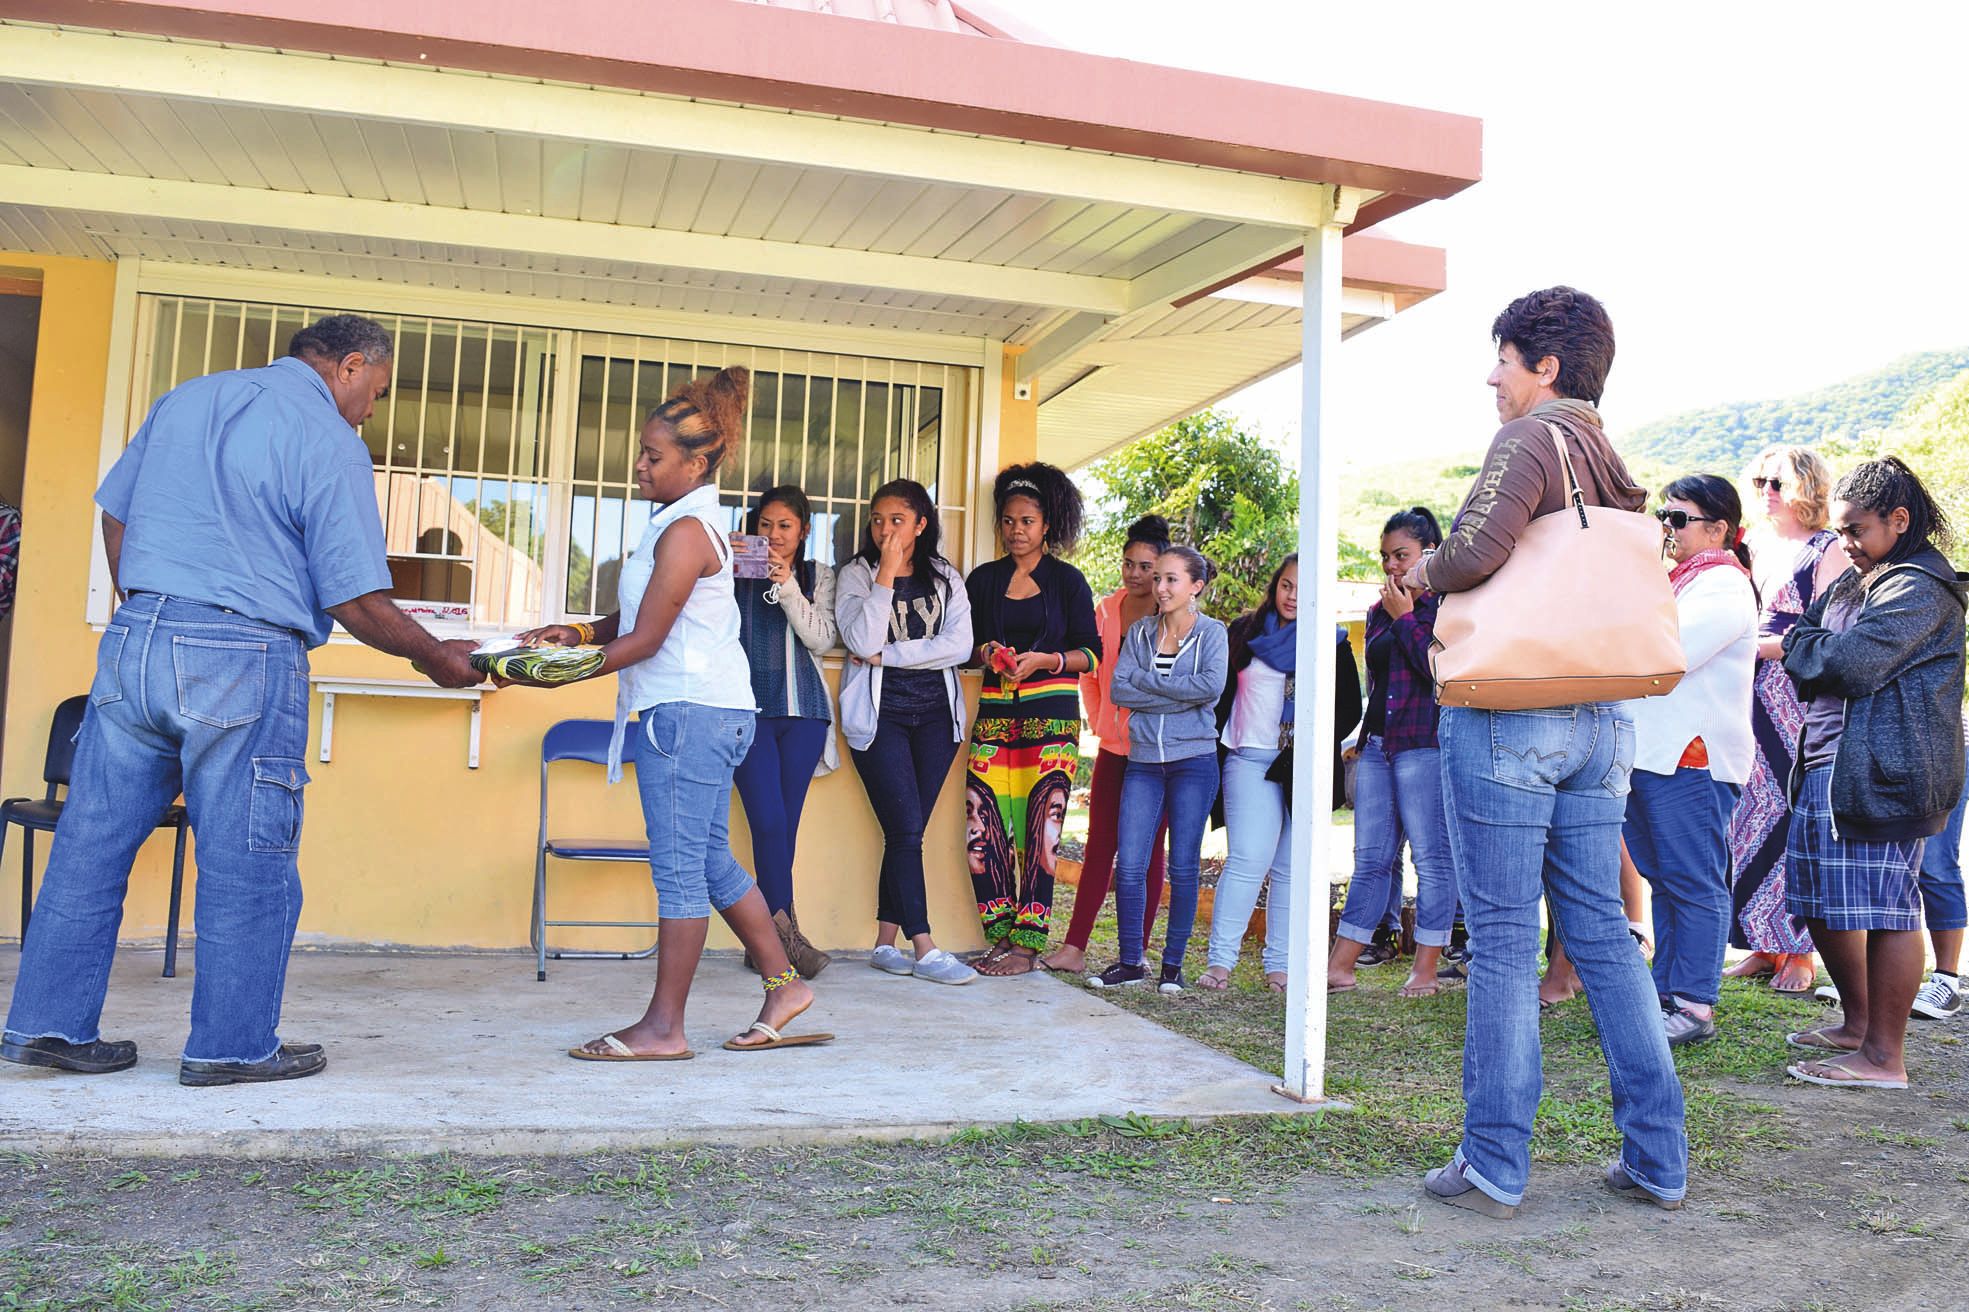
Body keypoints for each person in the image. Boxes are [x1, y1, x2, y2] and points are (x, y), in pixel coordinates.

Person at [0, 315, 483, 1086]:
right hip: (243, 652)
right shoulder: (326, 439)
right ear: (351, 366)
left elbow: (116, 512)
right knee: (247, 860)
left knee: (91, 843)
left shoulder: (187, 399)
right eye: (377, 393)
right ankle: (230, 1046)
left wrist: (149, 603)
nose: (370, 410)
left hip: (136, 638)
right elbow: (355, 596)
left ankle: (46, 1027)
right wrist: (435, 657)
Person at [1407, 287, 1686, 1217]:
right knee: (1601, 933)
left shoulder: (1530, 439)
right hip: (1602, 716)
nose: (1493, 375)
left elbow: (1477, 549)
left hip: (1511, 715)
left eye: (1505, 358)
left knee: (1496, 939)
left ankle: (1492, 1164)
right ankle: (1656, 1158)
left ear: (1547, 367)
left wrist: (1423, 571)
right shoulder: (1607, 457)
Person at [515, 366, 829, 1061]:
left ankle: (664, 1028)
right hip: (700, 712)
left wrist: (548, 673)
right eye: (642, 451)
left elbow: (649, 639)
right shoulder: (678, 526)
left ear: (695, 463)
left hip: (688, 715)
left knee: (681, 869)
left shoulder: (687, 531)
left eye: (653, 456)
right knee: (709, 858)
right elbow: (639, 616)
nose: (639, 464)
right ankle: (784, 987)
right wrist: (582, 633)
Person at [1780, 457, 1966, 1091]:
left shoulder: (1916, 587)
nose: (1845, 545)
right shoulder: (1861, 580)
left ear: (1899, 520)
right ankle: (1856, 1026)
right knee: (1823, 902)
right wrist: (1811, 652)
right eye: (1838, 532)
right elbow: (1803, 639)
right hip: (1828, 766)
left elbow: (1848, 665)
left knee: (1887, 908)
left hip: (1883, 771)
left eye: (1856, 530)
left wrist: (1810, 653)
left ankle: (1885, 1058)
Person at [1623, 476, 1759, 1046]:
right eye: (1666, 517)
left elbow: (1667, 653)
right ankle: (1667, 993)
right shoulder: (1683, 581)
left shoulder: (1725, 585)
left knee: (1694, 881)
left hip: (1691, 758)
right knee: (1666, 880)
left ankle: (1695, 1004)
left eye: (1679, 520)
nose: (1668, 528)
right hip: (1658, 755)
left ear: (1718, 529)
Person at [836, 478, 978, 986]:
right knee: (905, 831)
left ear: (921, 524)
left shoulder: (945, 577)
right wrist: (887, 575)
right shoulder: (856, 575)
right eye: (877, 520)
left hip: (938, 719)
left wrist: (888, 656)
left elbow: (958, 646)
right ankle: (925, 946)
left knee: (907, 830)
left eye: (897, 520)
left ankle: (883, 943)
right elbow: (858, 637)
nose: (884, 530)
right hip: (880, 719)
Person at [965, 463, 1100, 976]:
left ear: (1047, 526)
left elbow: (1092, 652)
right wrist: (988, 651)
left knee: (1040, 832)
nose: (1016, 530)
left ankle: (1028, 944)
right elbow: (965, 650)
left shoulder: (1068, 582)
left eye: (1027, 521)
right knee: (984, 825)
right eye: (1008, 521)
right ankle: (1000, 935)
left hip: (1052, 725)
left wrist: (1046, 660)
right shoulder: (984, 579)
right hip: (996, 719)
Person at [1727, 445, 1844, 995]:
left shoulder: (1829, 550)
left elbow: (1830, 632)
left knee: (1789, 814)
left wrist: (1765, 646)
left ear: (1806, 486)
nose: (1767, 490)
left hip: (1790, 691)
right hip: (1742, 688)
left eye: (1778, 481)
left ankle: (1799, 951)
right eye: (1760, 480)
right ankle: (1760, 942)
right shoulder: (1754, 544)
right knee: (1745, 813)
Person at [1331, 508, 1459, 999]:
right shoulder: (1377, 609)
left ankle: (1424, 969)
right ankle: (1341, 964)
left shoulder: (1449, 606)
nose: (1391, 566)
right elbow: (1376, 684)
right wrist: (1359, 742)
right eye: (1385, 556)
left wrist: (1408, 619)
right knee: (1370, 858)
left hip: (1423, 744)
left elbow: (1440, 673)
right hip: (1379, 746)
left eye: (1400, 555)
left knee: (1432, 858)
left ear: (1430, 553)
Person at [1088, 546, 1228, 993]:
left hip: (1194, 762)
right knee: (1129, 863)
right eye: (1159, 578)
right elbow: (1119, 691)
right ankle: (1131, 963)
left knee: (1184, 866)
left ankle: (1172, 966)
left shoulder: (1213, 634)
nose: (1160, 587)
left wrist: (1153, 685)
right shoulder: (1140, 633)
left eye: (1171, 579)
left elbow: (1210, 688)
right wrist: (1175, 692)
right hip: (1144, 763)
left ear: (1195, 587)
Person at [1042, 514, 1170, 974]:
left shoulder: (1172, 613)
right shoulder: (1107, 609)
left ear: (1163, 570)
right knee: (1099, 845)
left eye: (1146, 567)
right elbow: (1091, 672)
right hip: (1114, 750)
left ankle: (1134, 951)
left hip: (1157, 753)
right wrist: (1099, 720)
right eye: (1128, 564)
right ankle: (1074, 948)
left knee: (1149, 850)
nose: (1135, 574)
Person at [731, 485, 838, 979]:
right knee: (768, 824)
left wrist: (788, 583)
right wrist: (717, 560)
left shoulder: (819, 576)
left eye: (785, 526)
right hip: (747, 710)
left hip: (804, 713)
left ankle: (766, 944)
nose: (773, 535)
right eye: (765, 525)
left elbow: (821, 637)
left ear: (804, 532)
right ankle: (784, 938)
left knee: (785, 829)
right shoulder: (732, 571)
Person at [1201, 557, 1300, 990]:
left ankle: (1279, 967)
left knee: (1290, 868)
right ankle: (1220, 963)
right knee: (1247, 860)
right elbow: (1219, 694)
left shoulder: (1327, 642)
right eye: (1286, 585)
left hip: (1299, 767)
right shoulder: (1244, 631)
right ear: (1274, 586)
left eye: (1302, 587)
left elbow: (1347, 707)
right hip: (1248, 759)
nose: (1293, 595)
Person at [1910, 747, 1969, 1019]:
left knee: (1935, 863)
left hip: (1944, 742)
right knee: (1884, 864)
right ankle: (1875, 980)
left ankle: (1947, 982)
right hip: (1886, 744)